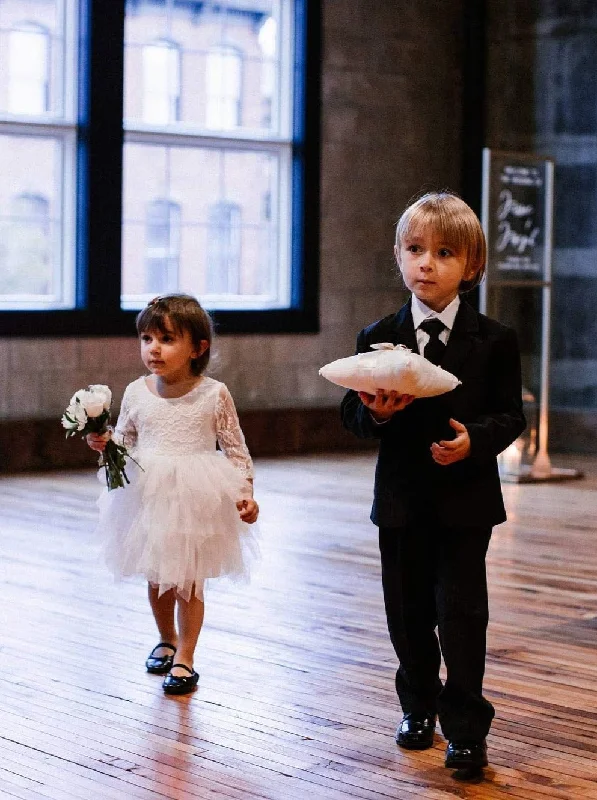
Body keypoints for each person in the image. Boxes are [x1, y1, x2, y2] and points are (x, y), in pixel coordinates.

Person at [341, 192, 526, 772]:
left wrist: (475, 439)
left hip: (466, 504)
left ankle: (466, 727)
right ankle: (416, 705)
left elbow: (510, 415)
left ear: (471, 266)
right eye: (416, 250)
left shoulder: (495, 339)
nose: (427, 263)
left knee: (463, 615)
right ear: (397, 255)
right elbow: (352, 413)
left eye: (444, 253)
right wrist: (377, 412)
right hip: (401, 502)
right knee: (407, 613)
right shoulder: (379, 332)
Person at [87, 293, 259, 696]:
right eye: (147, 339)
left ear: (198, 347)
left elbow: (235, 449)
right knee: (157, 576)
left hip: (196, 495)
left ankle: (187, 656)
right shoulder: (136, 391)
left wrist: (246, 494)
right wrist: (104, 444)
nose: (154, 349)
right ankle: (166, 637)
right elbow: (125, 442)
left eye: (166, 339)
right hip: (148, 493)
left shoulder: (213, 394)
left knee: (189, 582)